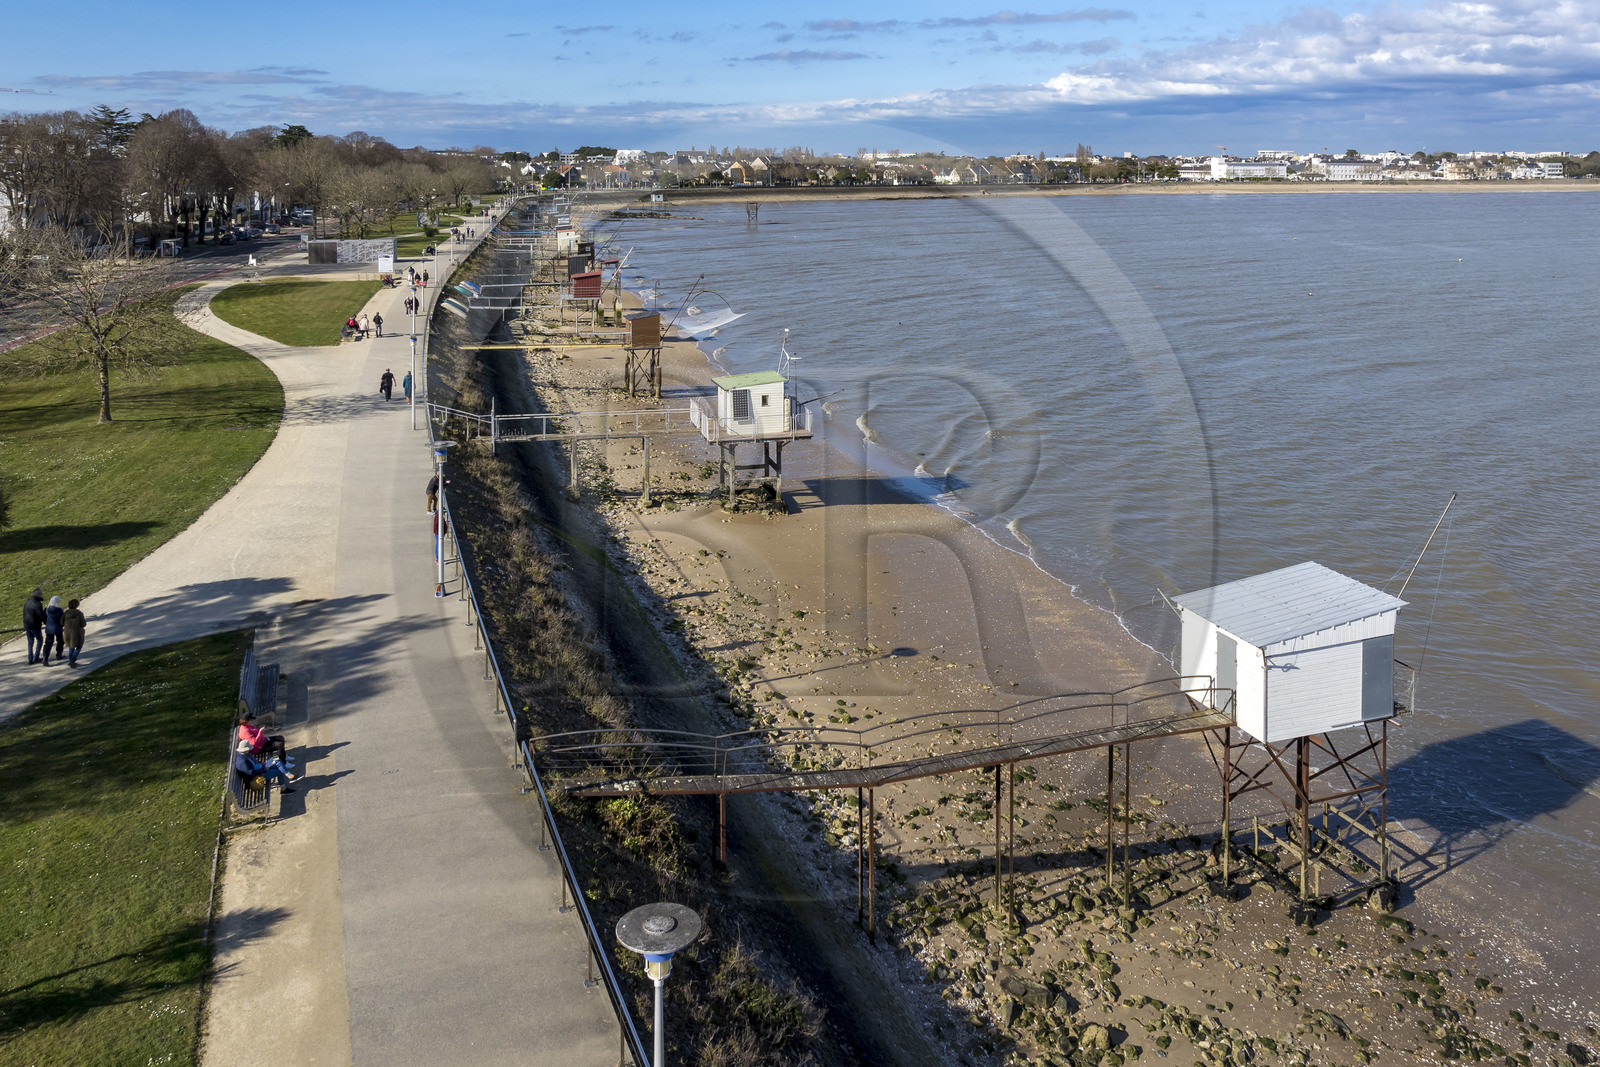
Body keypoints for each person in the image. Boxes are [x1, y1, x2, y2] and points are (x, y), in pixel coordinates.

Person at [22, 588, 45, 665]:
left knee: (30, 642)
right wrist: (45, 622)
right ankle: (36, 657)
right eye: (41, 594)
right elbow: (41, 615)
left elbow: (25, 613)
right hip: (35, 625)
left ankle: (30, 659)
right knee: (40, 640)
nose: (42, 595)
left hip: (27, 625)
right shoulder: (37, 604)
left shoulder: (27, 602)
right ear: (38, 595)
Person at [41, 596, 64, 665]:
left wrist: (47, 624)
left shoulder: (46, 610)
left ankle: (45, 658)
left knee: (48, 643)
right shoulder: (59, 610)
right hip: (58, 628)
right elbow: (61, 620)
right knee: (60, 641)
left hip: (49, 629)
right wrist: (62, 625)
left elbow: (44, 619)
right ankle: (58, 655)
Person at [63, 598, 86, 667]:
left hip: (67, 632)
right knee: (79, 646)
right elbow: (83, 624)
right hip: (77, 632)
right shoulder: (79, 613)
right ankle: (72, 660)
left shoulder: (65, 613)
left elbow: (61, 622)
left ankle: (71, 660)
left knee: (71, 646)